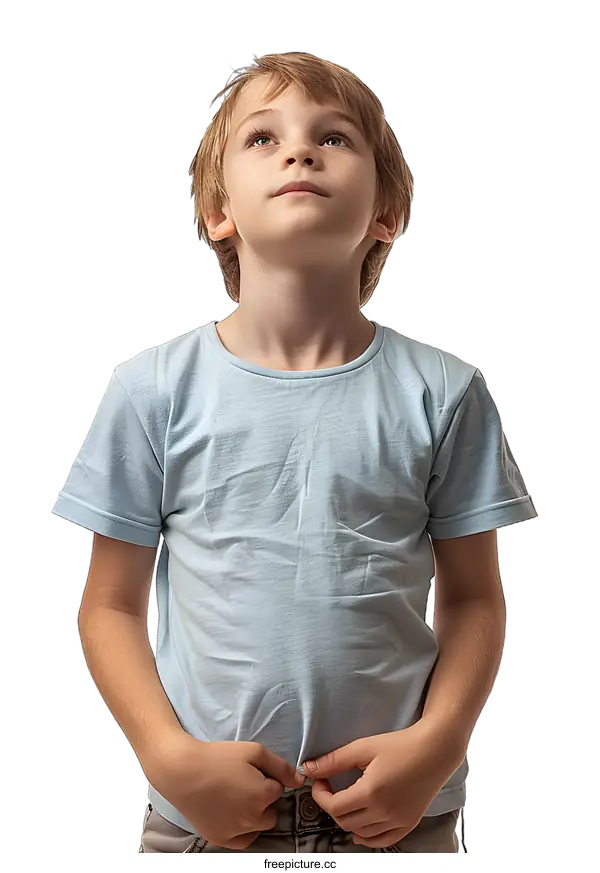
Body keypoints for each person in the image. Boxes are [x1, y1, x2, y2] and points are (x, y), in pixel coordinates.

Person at [51, 51, 536, 853]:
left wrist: (438, 744)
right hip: (205, 819)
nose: (299, 152)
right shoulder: (151, 390)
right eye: (263, 138)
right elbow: (109, 606)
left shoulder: (446, 394)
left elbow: (475, 600)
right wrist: (172, 759)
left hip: (403, 814)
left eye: (334, 138)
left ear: (387, 212)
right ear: (218, 212)